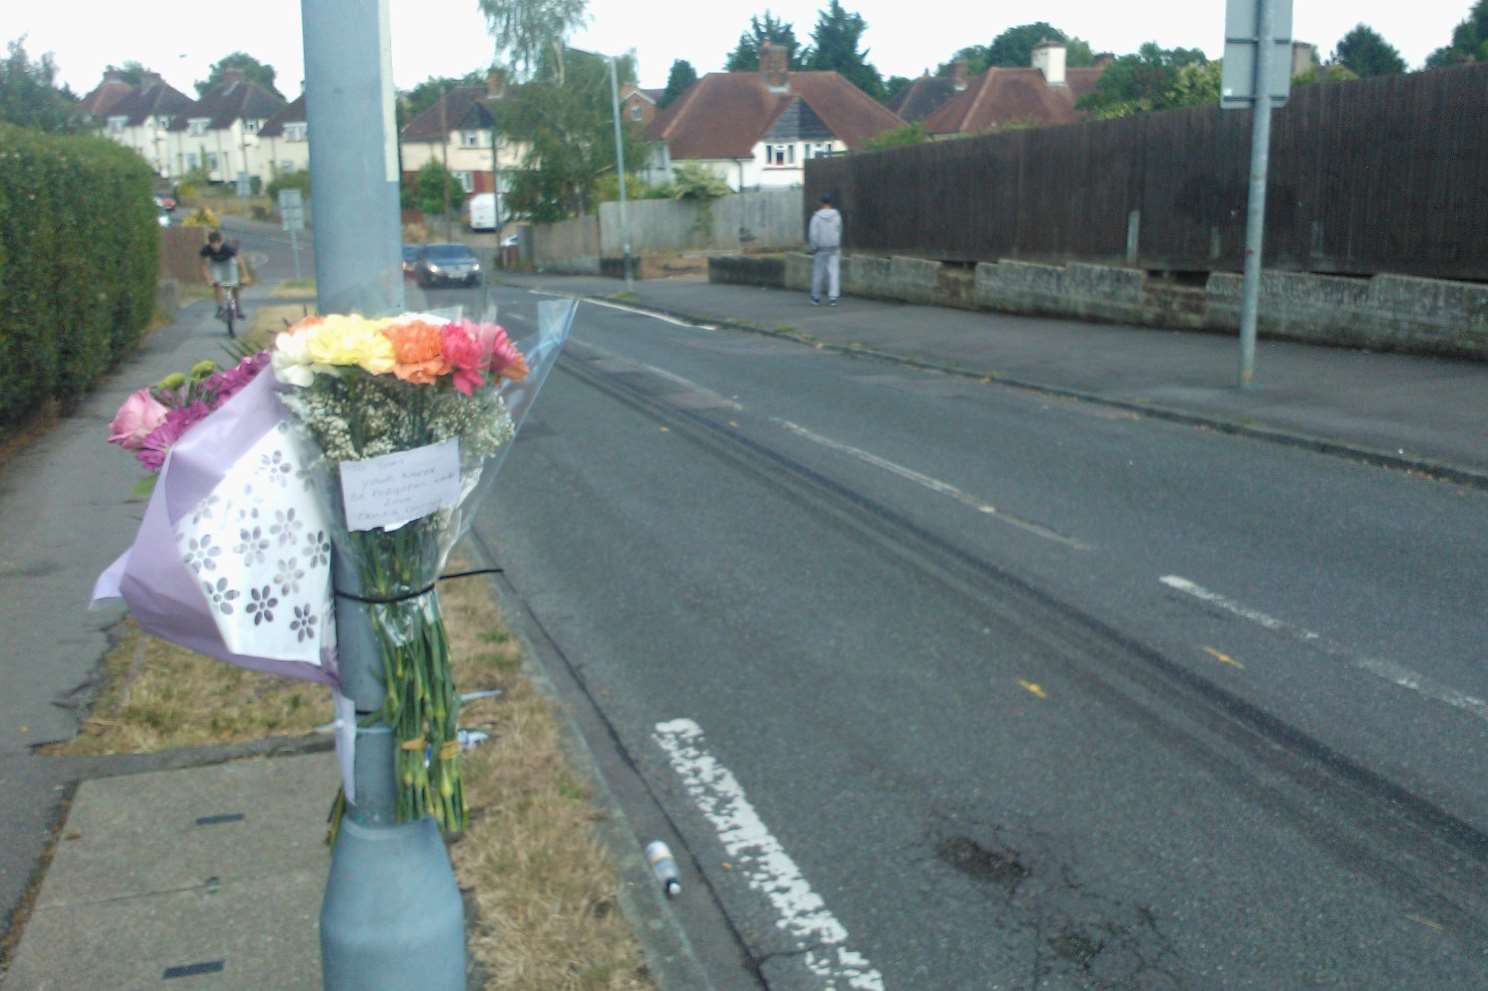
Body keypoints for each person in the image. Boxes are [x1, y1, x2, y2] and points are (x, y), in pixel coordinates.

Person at [199, 230, 246, 319]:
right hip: (216, 264)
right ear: (210, 243)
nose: (216, 246)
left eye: (218, 243)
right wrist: (208, 278)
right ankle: (220, 307)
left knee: (234, 285)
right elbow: (204, 265)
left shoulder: (227, 248)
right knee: (217, 284)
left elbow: (240, 260)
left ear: (221, 242)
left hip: (229, 263)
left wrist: (245, 275)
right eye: (213, 244)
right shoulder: (206, 250)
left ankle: (237, 308)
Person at [808, 192, 842, 306]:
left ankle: (815, 297)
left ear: (821, 203)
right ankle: (833, 298)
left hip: (820, 248)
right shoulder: (837, 215)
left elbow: (813, 234)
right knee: (833, 272)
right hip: (833, 248)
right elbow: (839, 231)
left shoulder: (816, 217)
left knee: (818, 273)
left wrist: (813, 247)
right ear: (830, 203)